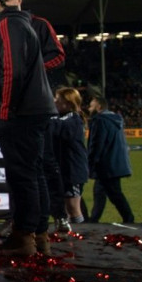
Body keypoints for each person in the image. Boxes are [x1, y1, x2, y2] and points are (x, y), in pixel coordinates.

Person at [0, 0, 57, 256]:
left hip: (19, 113)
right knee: (32, 175)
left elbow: (12, 71)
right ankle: (39, 234)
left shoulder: (8, 26)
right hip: (31, 111)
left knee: (22, 177)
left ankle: (24, 237)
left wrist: (5, 110)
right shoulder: (12, 25)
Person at [86, 95, 134, 223]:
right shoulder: (115, 119)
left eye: (91, 106)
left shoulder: (100, 120)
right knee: (101, 192)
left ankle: (129, 218)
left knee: (114, 194)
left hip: (106, 165)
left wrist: (90, 163)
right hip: (115, 164)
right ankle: (94, 219)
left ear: (99, 107)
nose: (89, 108)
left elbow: (97, 144)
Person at [52, 87, 89, 226]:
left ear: (68, 103)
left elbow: (56, 129)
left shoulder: (73, 118)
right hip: (64, 169)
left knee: (73, 208)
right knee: (65, 209)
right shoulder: (63, 117)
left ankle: (80, 235)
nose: (55, 102)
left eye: (58, 100)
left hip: (73, 171)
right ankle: (69, 235)